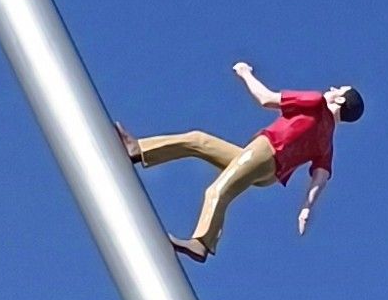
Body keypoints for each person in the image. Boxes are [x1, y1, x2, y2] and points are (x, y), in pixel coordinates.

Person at [118, 62, 365, 262]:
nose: (332, 88)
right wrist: (306, 208)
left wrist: (246, 74)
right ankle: (139, 150)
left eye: (338, 89)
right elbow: (320, 179)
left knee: (218, 190)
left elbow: (266, 99)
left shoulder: (316, 102)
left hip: (265, 152)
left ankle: (202, 241)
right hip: (269, 172)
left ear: (341, 101)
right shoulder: (327, 142)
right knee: (198, 141)